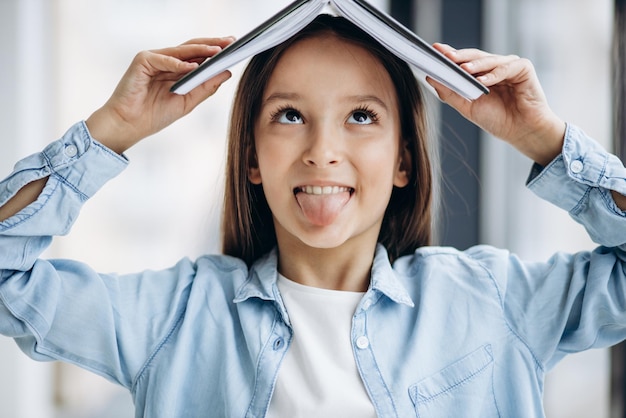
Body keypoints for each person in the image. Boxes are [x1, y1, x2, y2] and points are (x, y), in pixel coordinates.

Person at [1, 13, 625, 418]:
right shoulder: (174, 318)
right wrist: (112, 131)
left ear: (404, 160)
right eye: (289, 116)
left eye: (361, 117)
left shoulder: (495, 300)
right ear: (251, 159)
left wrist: (545, 139)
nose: (322, 151)